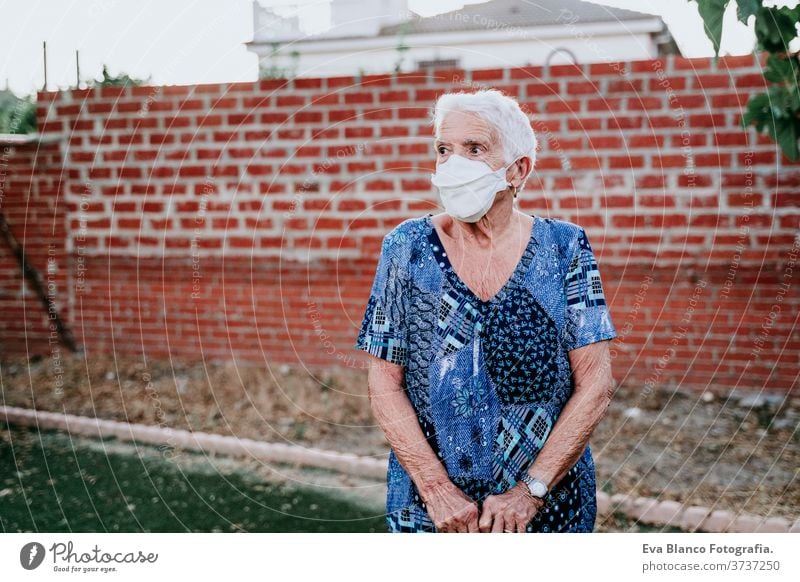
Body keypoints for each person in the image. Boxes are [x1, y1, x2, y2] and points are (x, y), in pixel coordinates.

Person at [354, 88, 617, 533]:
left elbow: (595, 383)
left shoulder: (564, 247)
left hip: (548, 507)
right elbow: (383, 380)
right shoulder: (407, 248)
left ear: (518, 170)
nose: (454, 164)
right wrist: (436, 489)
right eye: (444, 149)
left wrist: (530, 491)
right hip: (431, 510)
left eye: (474, 149)